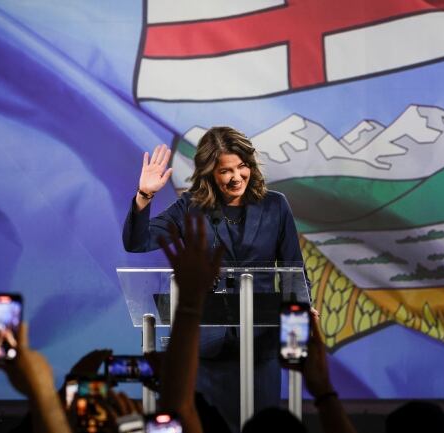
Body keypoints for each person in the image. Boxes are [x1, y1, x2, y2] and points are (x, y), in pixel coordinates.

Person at [123, 127, 308, 431]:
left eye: (242, 166)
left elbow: (293, 270)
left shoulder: (276, 205)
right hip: (205, 352)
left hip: (260, 347)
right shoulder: (190, 209)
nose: (237, 177)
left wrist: (301, 322)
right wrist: (145, 195)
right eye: (226, 171)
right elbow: (137, 242)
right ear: (210, 173)